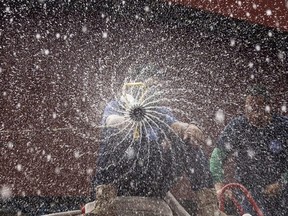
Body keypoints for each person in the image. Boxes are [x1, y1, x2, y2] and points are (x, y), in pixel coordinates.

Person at [91, 66, 223, 215]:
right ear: (133, 84)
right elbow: (110, 121)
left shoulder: (157, 111)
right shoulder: (117, 105)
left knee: (188, 142)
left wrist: (189, 127)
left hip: (152, 180)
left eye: (155, 87)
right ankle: (104, 203)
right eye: (149, 85)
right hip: (123, 180)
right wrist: (132, 120)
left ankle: (209, 208)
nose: (152, 90)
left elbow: (174, 125)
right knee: (113, 139)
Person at [210, 84, 288, 216]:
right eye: (249, 107)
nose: (253, 112)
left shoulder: (283, 127)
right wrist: (219, 187)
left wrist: (282, 182)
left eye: (258, 107)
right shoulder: (238, 127)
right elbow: (216, 158)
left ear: (268, 108)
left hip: (282, 195)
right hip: (248, 192)